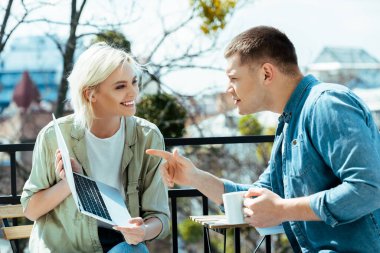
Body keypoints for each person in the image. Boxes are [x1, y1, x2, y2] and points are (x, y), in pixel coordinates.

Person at [146, 26, 380, 252]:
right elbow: (255, 199)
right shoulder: (288, 123)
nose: (228, 89)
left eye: (233, 78)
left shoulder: (326, 104)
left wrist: (283, 210)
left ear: (266, 73)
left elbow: (369, 189)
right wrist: (194, 177)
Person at [21, 42, 170, 253]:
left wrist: (143, 231)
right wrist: (70, 183)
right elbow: (31, 210)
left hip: (120, 245)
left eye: (134, 82)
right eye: (120, 86)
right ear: (90, 94)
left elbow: (160, 216)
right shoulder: (54, 136)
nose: (133, 93)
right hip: (65, 246)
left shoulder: (147, 137)